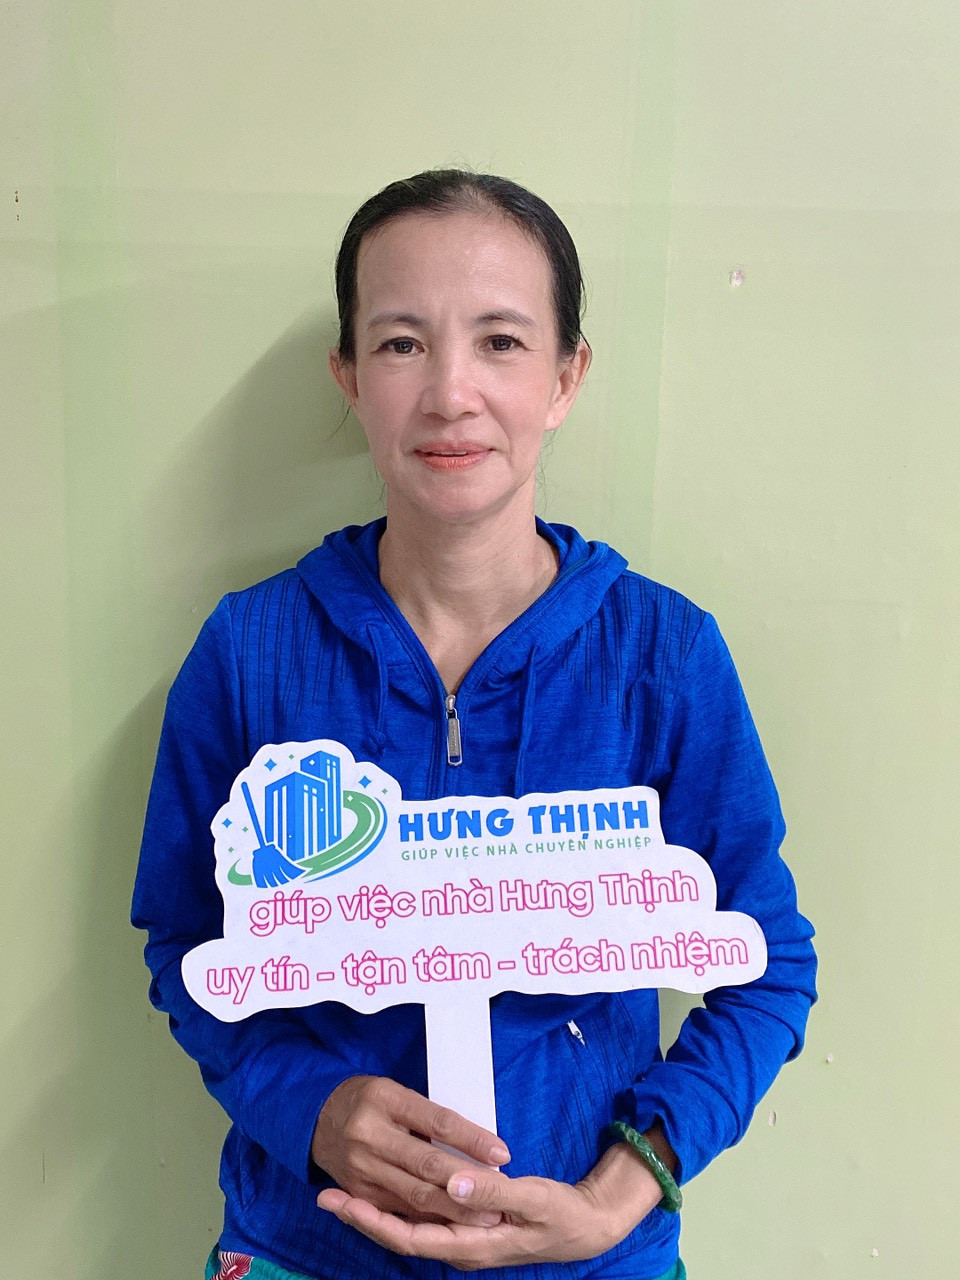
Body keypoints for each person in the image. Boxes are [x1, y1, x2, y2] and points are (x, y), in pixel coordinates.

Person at [133, 169, 817, 1280]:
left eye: (500, 342)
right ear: (349, 376)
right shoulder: (249, 653)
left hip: (593, 1260)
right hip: (305, 1246)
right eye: (402, 343)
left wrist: (623, 1188)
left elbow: (770, 963)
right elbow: (186, 941)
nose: (451, 393)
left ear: (566, 376)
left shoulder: (666, 656)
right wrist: (310, 1106)